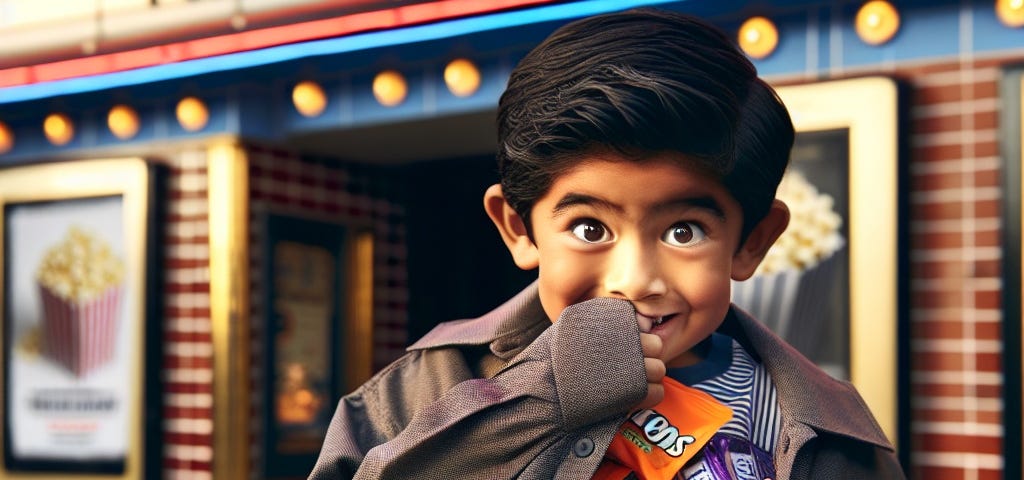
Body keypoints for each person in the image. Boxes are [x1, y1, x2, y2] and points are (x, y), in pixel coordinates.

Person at [308, 8, 905, 479]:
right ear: (518, 228)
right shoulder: (423, 387)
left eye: (684, 231)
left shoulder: (831, 436)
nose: (634, 278)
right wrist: (539, 400)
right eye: (590, 228)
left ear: (751, 242)